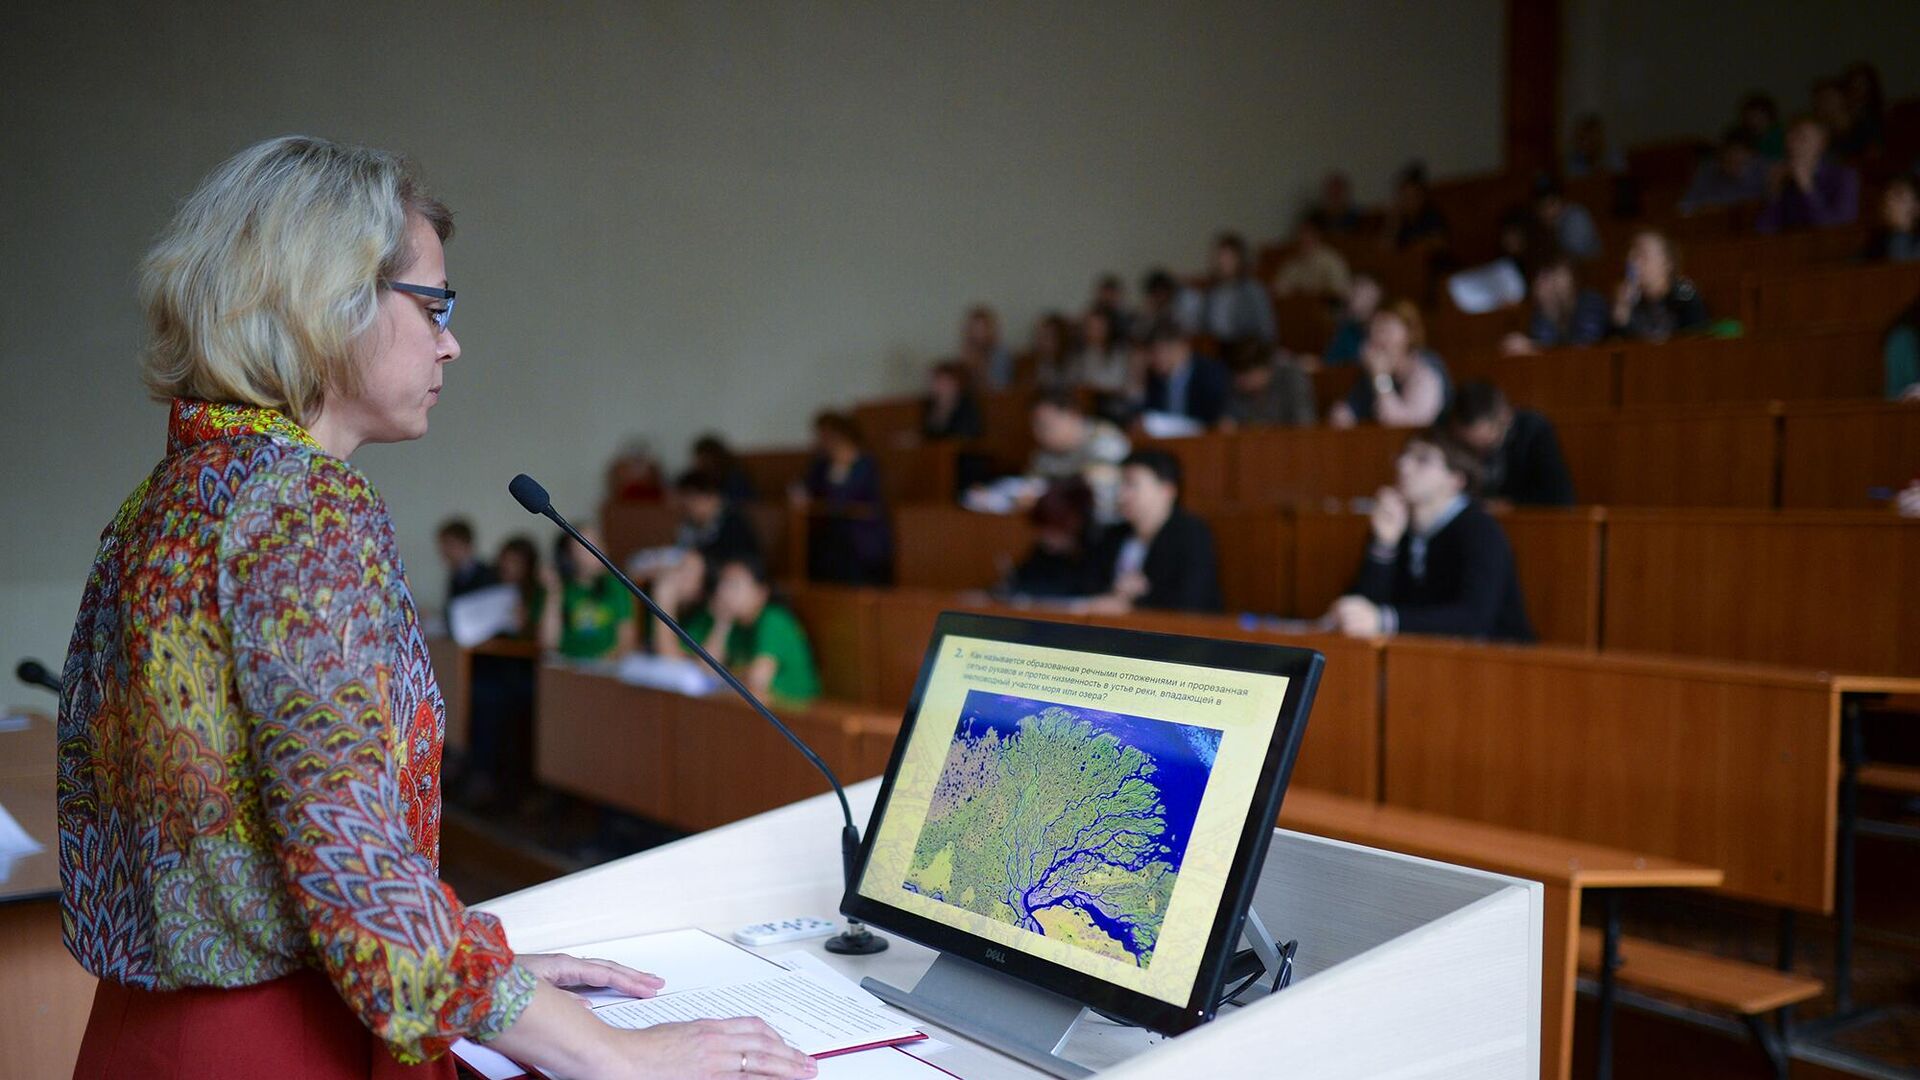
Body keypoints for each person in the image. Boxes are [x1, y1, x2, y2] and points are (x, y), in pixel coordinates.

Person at [60, 135, 813, 1079]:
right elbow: (351, 863)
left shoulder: (165, 499)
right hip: (286, 1045)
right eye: (435, 305)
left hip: (151, 1034)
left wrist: (486, 976)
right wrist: (619, 1056)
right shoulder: (301, 508)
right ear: (325, 302)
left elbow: (259, 857)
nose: (451, 339)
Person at [1328, 428, 1534, 642]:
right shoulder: (1396, 523)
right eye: (1404, 455)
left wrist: (1387, 621)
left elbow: (1474, 618)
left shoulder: (1481, 531)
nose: (1403, 466)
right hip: (1423, 656)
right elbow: (1366, 608)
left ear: (1457, 479)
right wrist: (1383, 545)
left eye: (1422, 459)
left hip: (1495, 661)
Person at [1078, 450, 1222, 614]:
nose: (1121, 495)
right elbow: (1088, 587)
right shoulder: (1112, 535)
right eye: (1120, 485)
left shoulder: (1192, 535)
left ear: (1167, 490)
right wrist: (1115, 591)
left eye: (1131, 484)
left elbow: (1192, 601)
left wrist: (1133, 604)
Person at [680, 556, 821, 705]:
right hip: (757, 706)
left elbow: (757, 680)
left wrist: (723, 676)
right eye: (722, 584)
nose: (723, 592)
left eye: (734, 585)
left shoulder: (774, 620)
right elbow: (704, 670)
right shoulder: (733, 623)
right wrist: (722, 623)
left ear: (761, 592)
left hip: (795, 710)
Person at [796, 411, 891, 585]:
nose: (823, 441)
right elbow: (807, 489)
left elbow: (843, 500)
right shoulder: (822, 463)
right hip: (832, 531)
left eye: (827, 435)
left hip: (861, 533)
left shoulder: (865, 464)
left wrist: (840, 469)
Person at [1447, 382, 1575, 506]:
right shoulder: (1453, 440)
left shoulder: (1534, 430)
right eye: (1470, 446)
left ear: (1505, 418)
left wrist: (1510, 504)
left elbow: (1559, 497)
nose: (1480, 452)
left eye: (1487, 442)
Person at [1329, 301, 1449, 429]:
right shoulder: (1374, 367)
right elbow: (1353, 408)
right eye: (1373, 329)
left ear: (1409, 335)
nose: (1377, 338)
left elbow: (1402, 426)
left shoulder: (1425, 372)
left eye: (1385, 330)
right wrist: (1344, 414)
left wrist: (1380, 377)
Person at [1024, 392, 1131, 521]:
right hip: (1064, 522)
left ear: (1073, 415)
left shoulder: (1105, 440)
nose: (1039, 434)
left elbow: (1099, 494)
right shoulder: (1043, 454)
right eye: (1035, 426)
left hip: (1105, 522)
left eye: (1046, 425)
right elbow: (1031, 486)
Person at [540, 524, 639, 661]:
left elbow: (626, 641)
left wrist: (600, 665)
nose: (597, 550)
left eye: (598, 542)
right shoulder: (559, 589)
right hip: (568, 666)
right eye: (586, 545)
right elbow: (548, 644)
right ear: (568, 556)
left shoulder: (617, 586)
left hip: (608, 667)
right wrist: (554, 593)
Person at [1756, 115, 1860, 233]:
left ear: (1821, 144)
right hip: (1792, 248)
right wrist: (1774, 194)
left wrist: (1807, 188)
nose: (1793, 145)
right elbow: (1763, 230)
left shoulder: (1844, 177)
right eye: (1790, 138)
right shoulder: (1786, 179)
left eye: (1802, 138)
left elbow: (1837, 230)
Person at [1002, 479, 1095, 599]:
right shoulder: (1041, 552)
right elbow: (1020, 584)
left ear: (1075, 521)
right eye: (1042, 529)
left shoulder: (1097, 553)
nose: (1045, 536)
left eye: (1052, 529)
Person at [1611, 229, 1709, 342]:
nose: (1631, 260)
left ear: (1666, 262)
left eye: (1641, 254)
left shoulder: (1684, 296)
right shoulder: (1628, 301)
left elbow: (1697, 341)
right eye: (1630, 253)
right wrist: (1621, 310)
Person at [1180, 232, 1277, 345]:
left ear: (1239, 260)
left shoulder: (1253, 290)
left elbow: (1267, 331)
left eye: (1229, 257)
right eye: (1220, 257)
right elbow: (1202, 327)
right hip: (1217, 351)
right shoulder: (1212, 292)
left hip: (1246, 350)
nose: (1223, 263)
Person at [1139, 318, 1231, 427]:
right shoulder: (1154, 378)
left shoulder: (1210, 374)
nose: (1152, 359)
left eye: (1157, 351)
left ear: (1181, 347)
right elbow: (1148, 414)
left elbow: (1218, 418)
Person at [1505, 257, 1609, 353]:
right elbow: (1544, 340)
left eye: (1562, 275)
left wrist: (1534, 347)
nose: (1556, 283)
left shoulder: (1592, 302)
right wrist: (1549, 309)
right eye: (1553, 276)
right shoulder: (1547, 309)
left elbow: (1585, 347)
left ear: (1575, 279)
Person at [673, 469, 762, 566]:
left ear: (712, 496)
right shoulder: (688, 525)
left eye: (693, 499)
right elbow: (680, 553)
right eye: (685, 501)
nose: (689, 506)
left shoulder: (733, 522)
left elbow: (740, 559)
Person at [1220, 342, 1316, 429]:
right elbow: (1229, 421)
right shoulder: (1237, 389)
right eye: (1237, 374)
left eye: (1245, 373)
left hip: (1292, 443)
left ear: (1264, 368)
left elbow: (1305, 423)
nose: (1239, 380)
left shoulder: (1292, 379)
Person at [1679, 127, 1769, 214]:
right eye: (1729, 150)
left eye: (1739, 151)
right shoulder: (1709, 168)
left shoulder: (1762, 169)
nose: (1733, 155)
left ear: (1751, 154)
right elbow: (1686, 204)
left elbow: (1760, 203)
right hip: (1704, 219)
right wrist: (1700, 209)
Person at [1271, 217, 1353, 300]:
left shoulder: (1332, 260)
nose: (1303, 238)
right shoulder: (1292, 263)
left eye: (1308, 234)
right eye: (1301, 234)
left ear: (1317, 236)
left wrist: (1317, 293)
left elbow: (1340, 290)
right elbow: (1278, 288)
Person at [1384, 162, 1449, 253]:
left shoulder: (1431, 215)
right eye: (1404, 197)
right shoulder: (1400, 220)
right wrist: (1393, 224)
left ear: (1421, 196)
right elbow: (1386, 251)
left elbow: (1440, 244)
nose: (1408, 202)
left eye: (1412, 196)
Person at [1532, 176, 1601, 261]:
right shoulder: (1543, 226)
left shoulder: (1576, 216)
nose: (1548, 211)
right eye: (1543, 206)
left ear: (1561, 200)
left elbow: (1575, 259)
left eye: (1552, 203)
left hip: (1592, 268)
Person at [1066, 306, 1132, 395]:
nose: (1094, 331)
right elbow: (1072, 380)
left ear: (1108, 328)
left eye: (1099, 327)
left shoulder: (1119, 353)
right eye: (1090, 327)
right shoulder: (1080, 354)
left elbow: (1118, 383)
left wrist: (1091, 386)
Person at [1321, 274, 1383, 366]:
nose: (1354, 298)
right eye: (1354, 291)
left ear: (1376, 297)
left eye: (1362, 294)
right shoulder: (1347, 328)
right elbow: (1330, 362)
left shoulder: (1383, 330)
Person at [919, 359, 984, 440]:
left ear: (957, 383)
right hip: (937, 451)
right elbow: (928, 434)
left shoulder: (966, 405)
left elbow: (968, 435)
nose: (937, 385)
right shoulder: (930, 405)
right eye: (936, 381)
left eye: (943, 381)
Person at [437, 517, 497, 602]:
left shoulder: (487, 576)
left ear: (466, 545)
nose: (445, 551)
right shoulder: (455, 577)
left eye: (450, 545)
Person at [1863, 174, 1920, 263]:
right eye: (1887, 195)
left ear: (1917, 206)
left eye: (1898, 195)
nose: (1889, 202)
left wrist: (1901, 230)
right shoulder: (1875, 242)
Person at [959, 304, 1014, 391]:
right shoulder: (969, 351)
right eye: (973, 328)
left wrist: (979, 367)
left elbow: (998, 387)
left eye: (981, 328)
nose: (976, 333)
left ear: (990, 329)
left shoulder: (1000, 352)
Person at [691, 433, 756, 502]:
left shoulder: (734, 477)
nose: (698, 463)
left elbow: (740, 504)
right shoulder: (699, 477)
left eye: (703, 459)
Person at [1027, 310, 1077, 391]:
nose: (1040, 341)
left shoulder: (1073, 364)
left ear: (1059, 338)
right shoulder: (1040, 362)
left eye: (1046, 337)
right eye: (1039, 336)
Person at [1740, 92, 1786, 160]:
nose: (1753, 122)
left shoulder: (1779, 136)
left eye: (1756, 116)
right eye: (1749, 118)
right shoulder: (1753, 139)